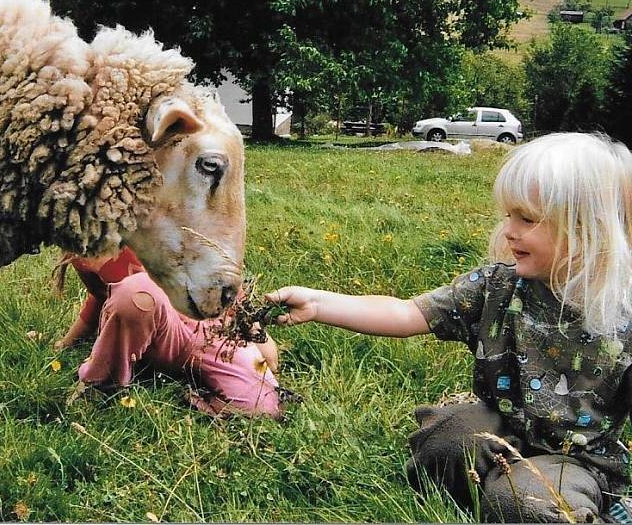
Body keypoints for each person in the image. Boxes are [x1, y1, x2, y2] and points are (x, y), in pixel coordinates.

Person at [267, 133, 632, 522]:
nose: (509, 230)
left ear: (586, 230)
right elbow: (408, 314)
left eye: (527, 218)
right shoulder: (497, 286)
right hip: (501, 429)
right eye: (509, 215)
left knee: (529, 503)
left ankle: (589, 510)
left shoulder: (622, 316)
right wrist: (318, 303)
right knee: (445, 438)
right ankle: (496, 488)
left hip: (575, 459)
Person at [54, 246, 282, 419]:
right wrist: (67, 343)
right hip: (158, 333)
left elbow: (225, 284)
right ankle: (100, 383)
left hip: (212, 334)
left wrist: (256, 332)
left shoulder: (178, 212)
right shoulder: (85, 237)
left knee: (264, 407)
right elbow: (100, 296)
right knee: (139, 292)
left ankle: (196, 395)